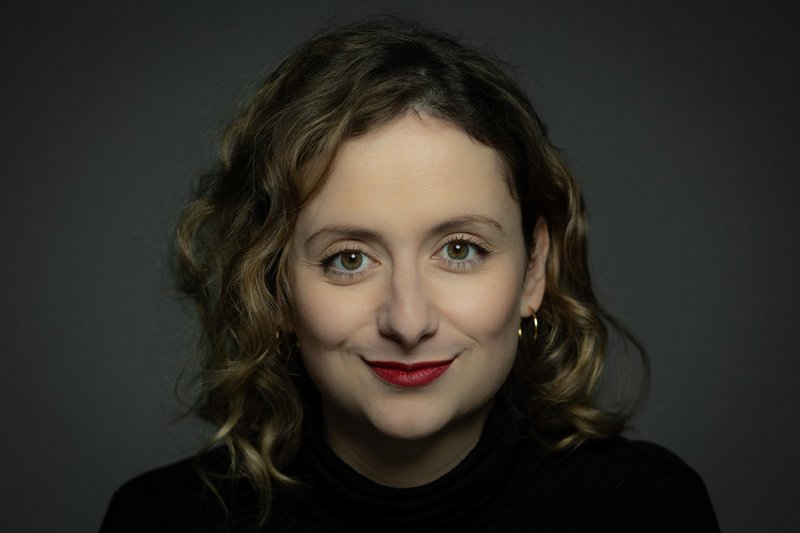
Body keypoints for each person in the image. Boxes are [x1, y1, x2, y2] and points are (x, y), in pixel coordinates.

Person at [100, 16, 719, 533]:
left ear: (533, 271)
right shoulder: (161, 521)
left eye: (460, 249)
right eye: (349, 259)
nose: (408, 320)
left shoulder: (642, 510)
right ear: (275, 287)